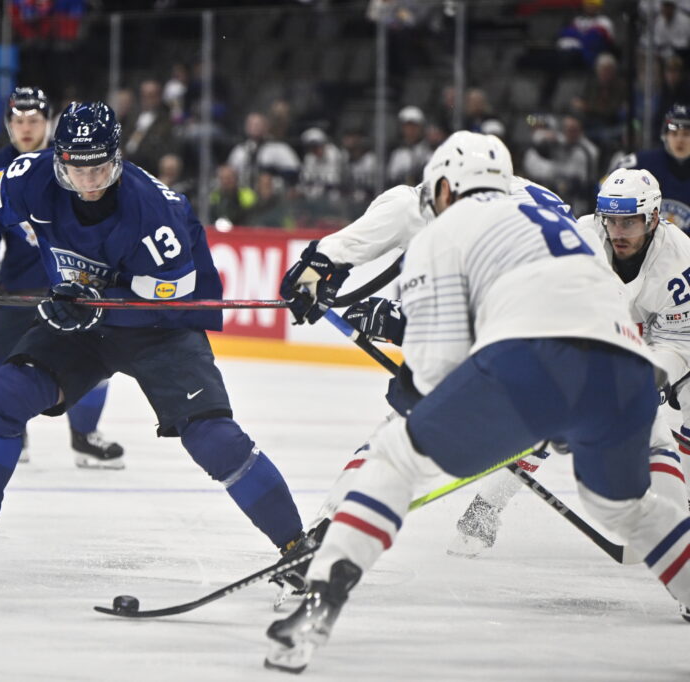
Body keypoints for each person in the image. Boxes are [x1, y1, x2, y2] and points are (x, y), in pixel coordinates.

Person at [265, 132, 690, 673]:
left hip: (532, 358)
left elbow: (433, 373)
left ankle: (318, 599)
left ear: (446, 188)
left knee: (396, 452)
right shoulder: (551, 207)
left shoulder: (448, 227)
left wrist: (395, 325)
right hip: (624, 362)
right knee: (629, 508)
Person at [0, 101, 305, 591]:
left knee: (213, 438)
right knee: (3, 396)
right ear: (58, 160)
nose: (89, 182)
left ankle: (297, 547)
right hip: (83, 322)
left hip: (159, 328)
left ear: (116, 159)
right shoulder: (28, 176)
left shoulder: (155, 210)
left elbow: (172, 294)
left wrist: (99, 300)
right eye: (77, 169)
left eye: (100, 168)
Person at [449, 167, 690, 561]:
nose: (618, 231)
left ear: (652, 218)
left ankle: (683, 518)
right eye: (611, 219)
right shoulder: (579, 237)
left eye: (629, 221)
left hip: (658, 343)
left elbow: (680, 337)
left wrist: (657, 375)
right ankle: (485, 509)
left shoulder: (679, 260)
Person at [0, 86, 123, 468]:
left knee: (94, 360)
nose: (26, 128)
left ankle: (84, 436)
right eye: (18, 121)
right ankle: (12, 428)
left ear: (48, 123)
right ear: (7, 124)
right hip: (17, 286)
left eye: (34, 121)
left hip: (74, 288)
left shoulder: (74, 164)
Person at [616, 103, 690, 232]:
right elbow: (605, 189)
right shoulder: (640, 163)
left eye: (686, 134)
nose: (680, 140)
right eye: (674, 133)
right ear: (665, 136)